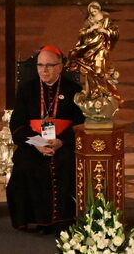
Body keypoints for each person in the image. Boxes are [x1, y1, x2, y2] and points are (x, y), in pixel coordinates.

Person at [6, 46, 85, 234]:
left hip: (64, 143)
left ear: (60, 66)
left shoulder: (74, 90)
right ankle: (40, 221)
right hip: (34, 143)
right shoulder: (27, 89)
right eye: (40, 65)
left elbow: (81, 123)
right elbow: (16, 124)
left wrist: (61, 141)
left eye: (49, 65)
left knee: (65, 163)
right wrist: (38, 143)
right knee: (26, 164)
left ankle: (63, 221)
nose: (44, 70)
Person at [67, 2, 121, 103]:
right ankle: (93, 93)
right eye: (91, 12)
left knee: (99, 71)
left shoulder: (106, 20)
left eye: (95, 10)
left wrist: (104, 31)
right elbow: (82, 33)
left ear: (99, 9)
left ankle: (103, 92)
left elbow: (115, 33)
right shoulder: (89, 21)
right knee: (90, 72)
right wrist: (91, 29)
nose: (93, 13)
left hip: (101, 49)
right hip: (90, 49)